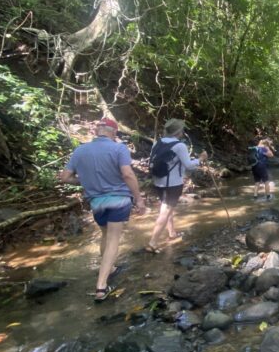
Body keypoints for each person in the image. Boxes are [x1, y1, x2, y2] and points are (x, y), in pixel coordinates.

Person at [59, 118, 147, 302]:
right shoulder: (119, 148)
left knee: (105, 235)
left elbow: (65, 177)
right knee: (114, 239)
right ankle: (101, 286)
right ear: (114, 132)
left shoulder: (80, 150)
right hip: (118, 199)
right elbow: (127, 174)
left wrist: (83, 181)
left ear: (97, 131)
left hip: (96, 202)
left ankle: (111, 268)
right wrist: (138, 199)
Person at [146, 118, 208, 254]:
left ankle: (172, 233)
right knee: (165, 211)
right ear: (178, 132)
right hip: (172, 184)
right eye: (182, 130)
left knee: (167, 208)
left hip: (158, 182)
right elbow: (189, 166)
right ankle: (153, 242)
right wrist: (201, 159)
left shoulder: (158, 143)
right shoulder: (179, 146)